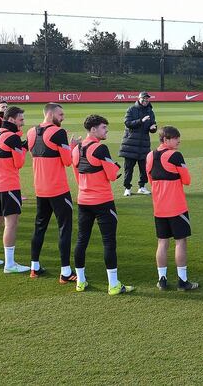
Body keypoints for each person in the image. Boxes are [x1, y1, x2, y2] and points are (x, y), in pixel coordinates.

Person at [72, 114, 134, 295]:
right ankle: (113, 285)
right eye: (103, 128)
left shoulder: (76, 149)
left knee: (81, 240)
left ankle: (80, 282)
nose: (106, 131)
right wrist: (114, 167)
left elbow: (77, 174)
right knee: (108, 242)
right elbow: (112, 175)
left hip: (83, 200)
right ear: (93, 129)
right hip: (103, 201)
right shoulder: (100, 149)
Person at [27, 102, 80, 282]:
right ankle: (65, 272)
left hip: (40, 189)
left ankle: (34, 267)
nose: (63, 118)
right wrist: (72, 148)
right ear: (50, 114)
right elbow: (67, 161)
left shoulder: (31, 131)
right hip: (57, 189)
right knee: (64, 228)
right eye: (61, 114)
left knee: (39, 227)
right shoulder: (59, 133)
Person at [146, 126, 199, 291]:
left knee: (162, 242)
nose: (178, 141)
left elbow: (150, 179)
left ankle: (162, 279)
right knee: (180, 242)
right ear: (166, 140)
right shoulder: (175, 155)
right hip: (176, 207)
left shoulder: (150, 155)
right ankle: (182, 281)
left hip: (159, 207)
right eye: (175, 138)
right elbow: (187, 179)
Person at [0, 106, 30, 273]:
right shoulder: (12, 137)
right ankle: (9, 264)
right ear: (11, 119)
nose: (23, 123)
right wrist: (24, 148)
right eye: (21, 119)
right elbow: (19, 163)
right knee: (11, 223)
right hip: (9, 185)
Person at [119, 91, 156, 196]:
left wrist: (153, 128)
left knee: (144, 168)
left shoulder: (150, 111)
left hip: (144, 144)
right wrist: (141, 120)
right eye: (143, 99)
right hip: (130, 144)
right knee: (128, 168)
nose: (145, 100)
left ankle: (142, 187)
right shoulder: (131, 109)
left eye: (147, 99)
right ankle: (127, 188)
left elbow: (153, 123)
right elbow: (127, 123)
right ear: (139, 99)